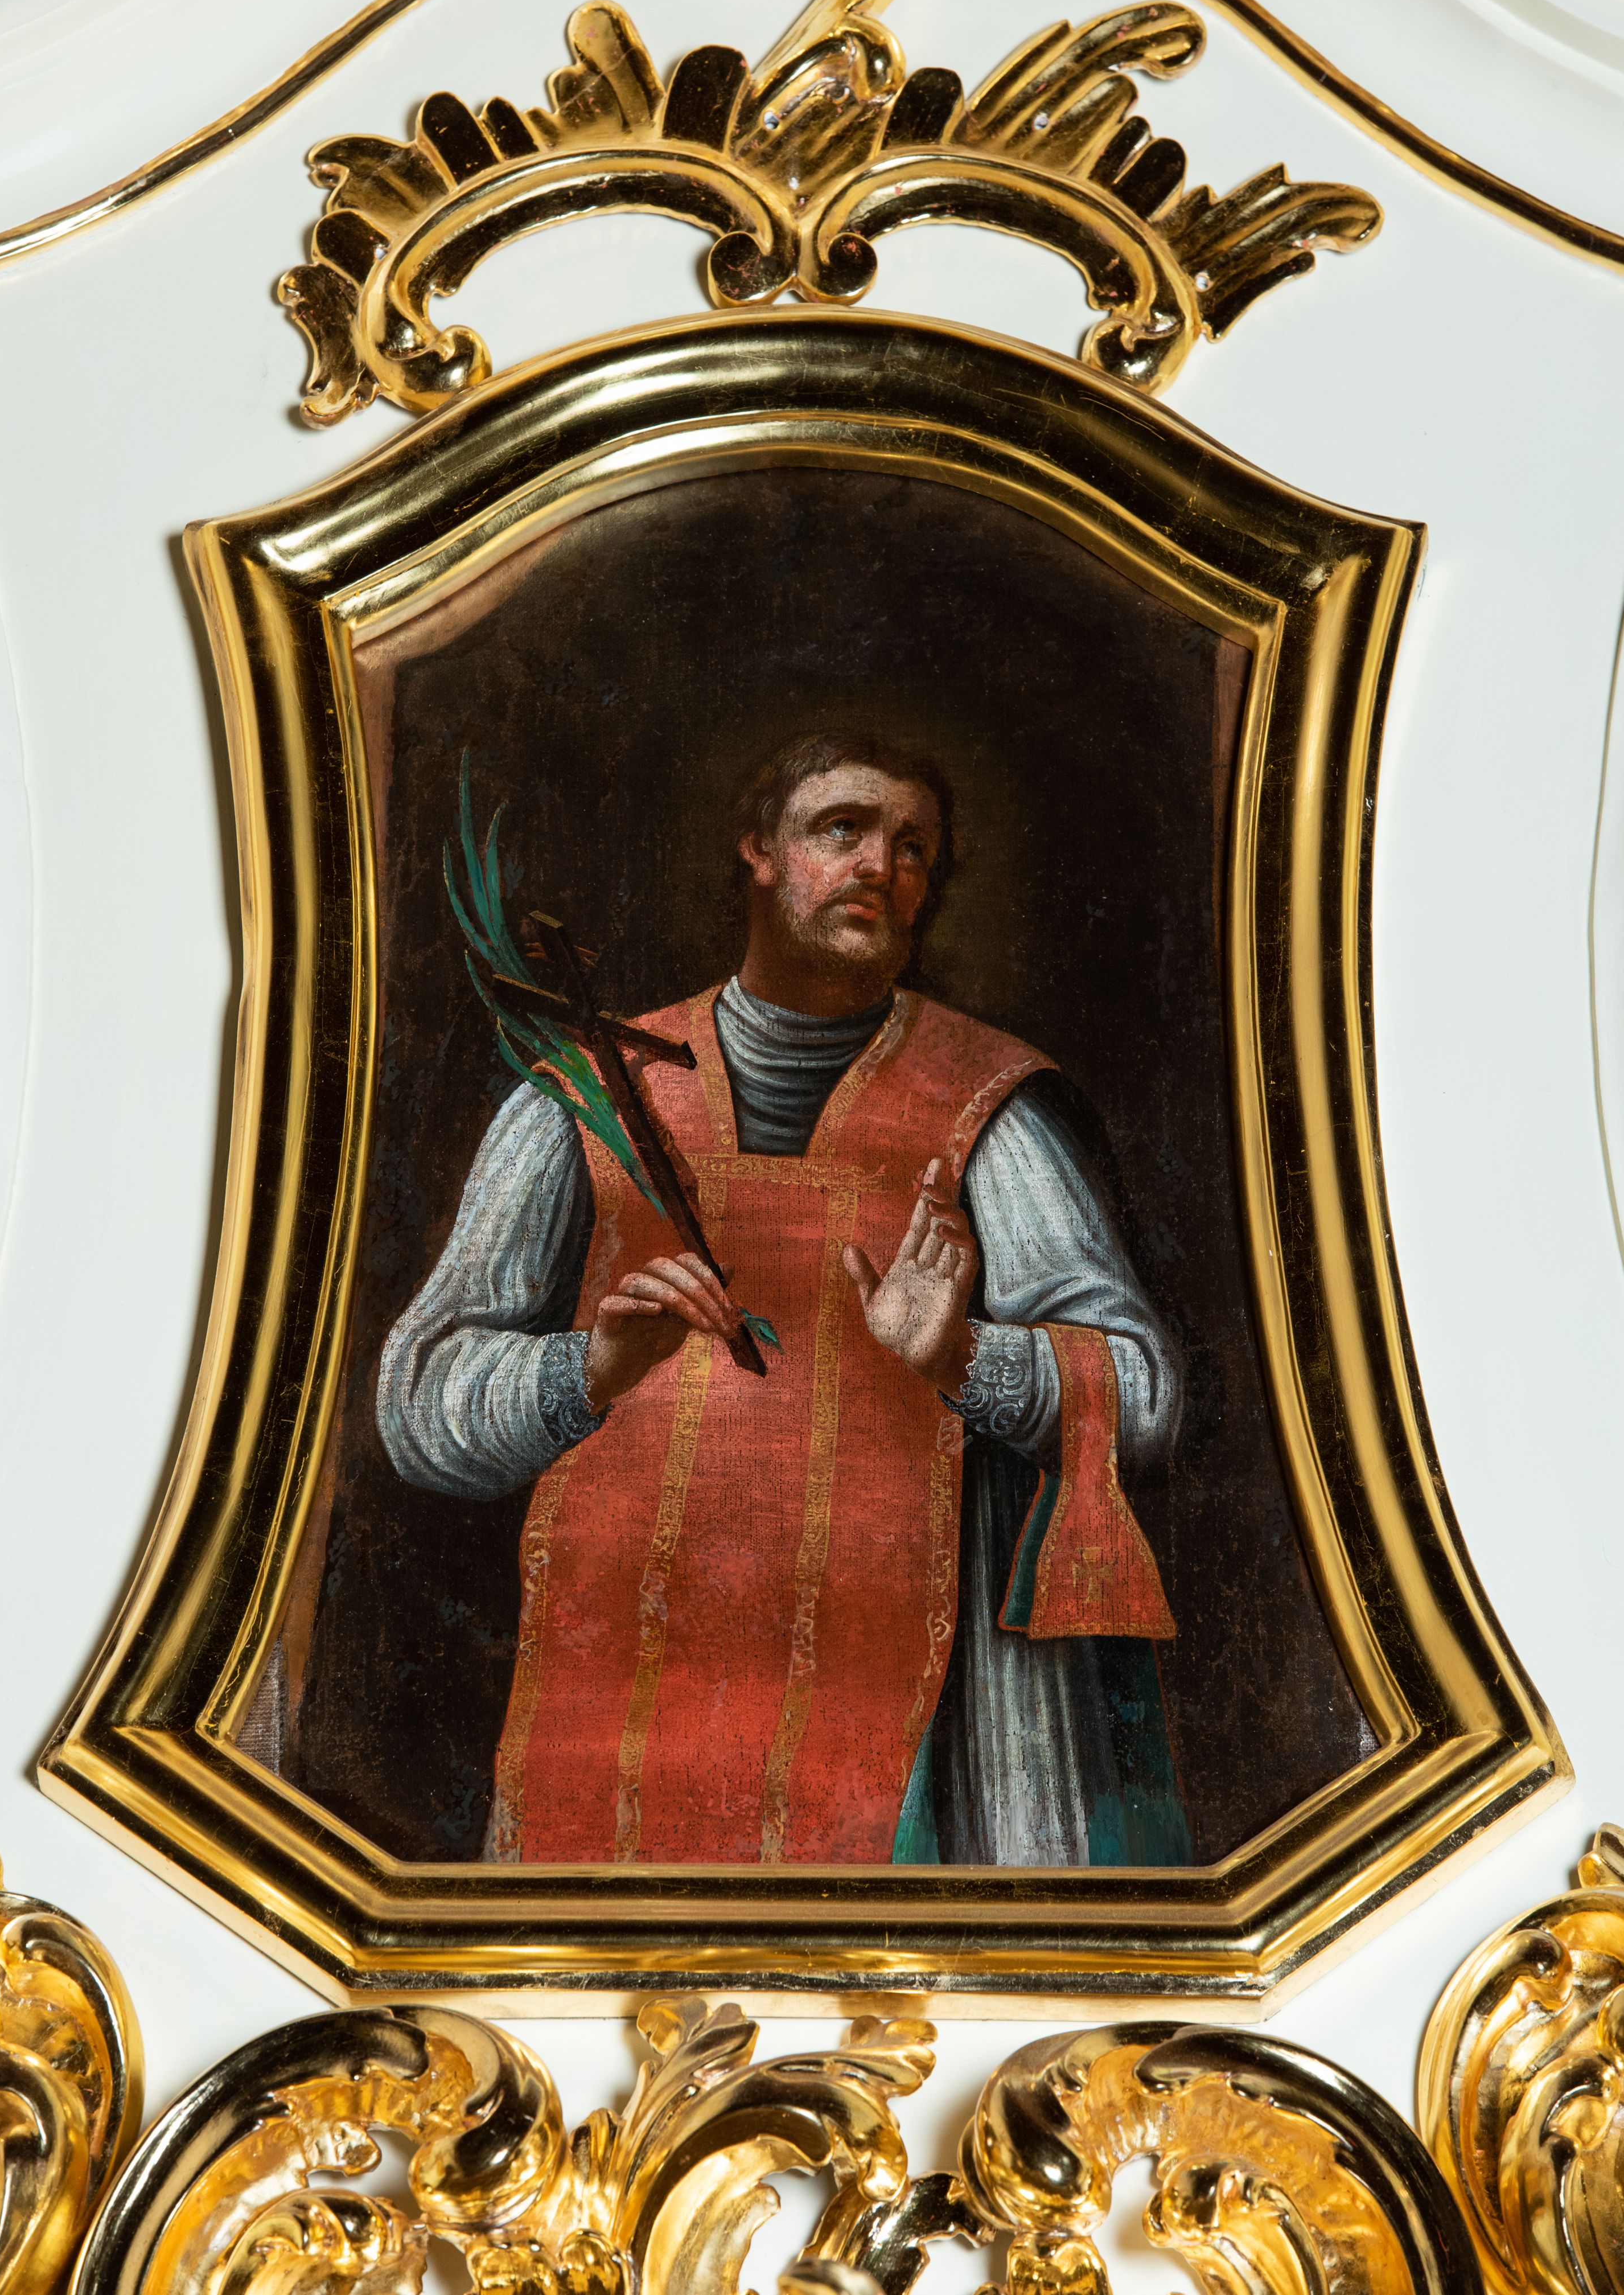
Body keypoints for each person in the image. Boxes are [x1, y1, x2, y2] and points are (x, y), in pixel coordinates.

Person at [378, 731, 1191, 1868]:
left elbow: (1143, 1393)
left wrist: (962, 1357)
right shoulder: (586, 1089)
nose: (880, 867)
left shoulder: (989, 1105)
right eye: (842, 828)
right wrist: (588, 1369)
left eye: (913, 847)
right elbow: (418, 1401)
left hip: (902, 1718)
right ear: (758, 849)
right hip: (617, 1705)